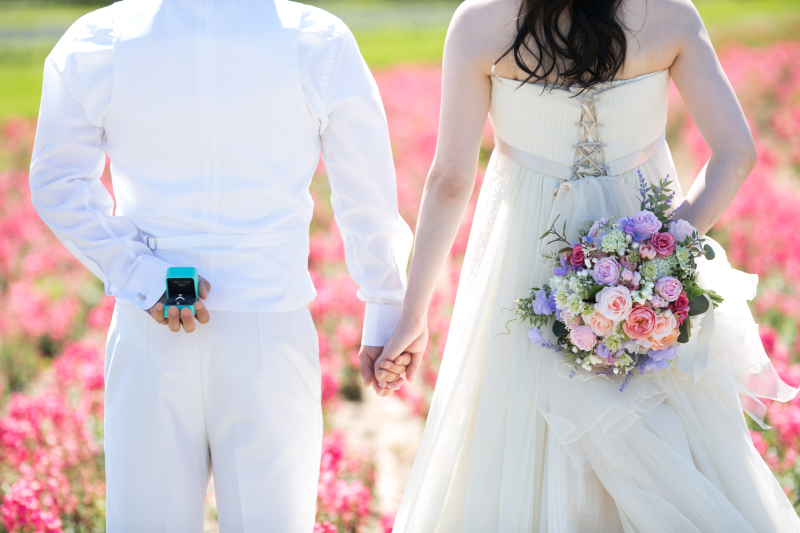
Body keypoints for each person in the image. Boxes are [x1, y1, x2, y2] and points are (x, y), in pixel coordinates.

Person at [371, 0, 800, 530]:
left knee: (524, 432)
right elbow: (736, 153)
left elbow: (450, 182)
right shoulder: (669, 15)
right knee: (661, 425)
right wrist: (657, 257)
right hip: (644, 269)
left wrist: (413, 317)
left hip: (526, 260)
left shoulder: (480, 24)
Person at [29, 0, 412, 530]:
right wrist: (384, 307)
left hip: (152, 324)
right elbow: (365, 195)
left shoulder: (100, 39)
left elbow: (58, 184)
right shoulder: (316, 38)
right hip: (269, 324)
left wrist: (143, 276)